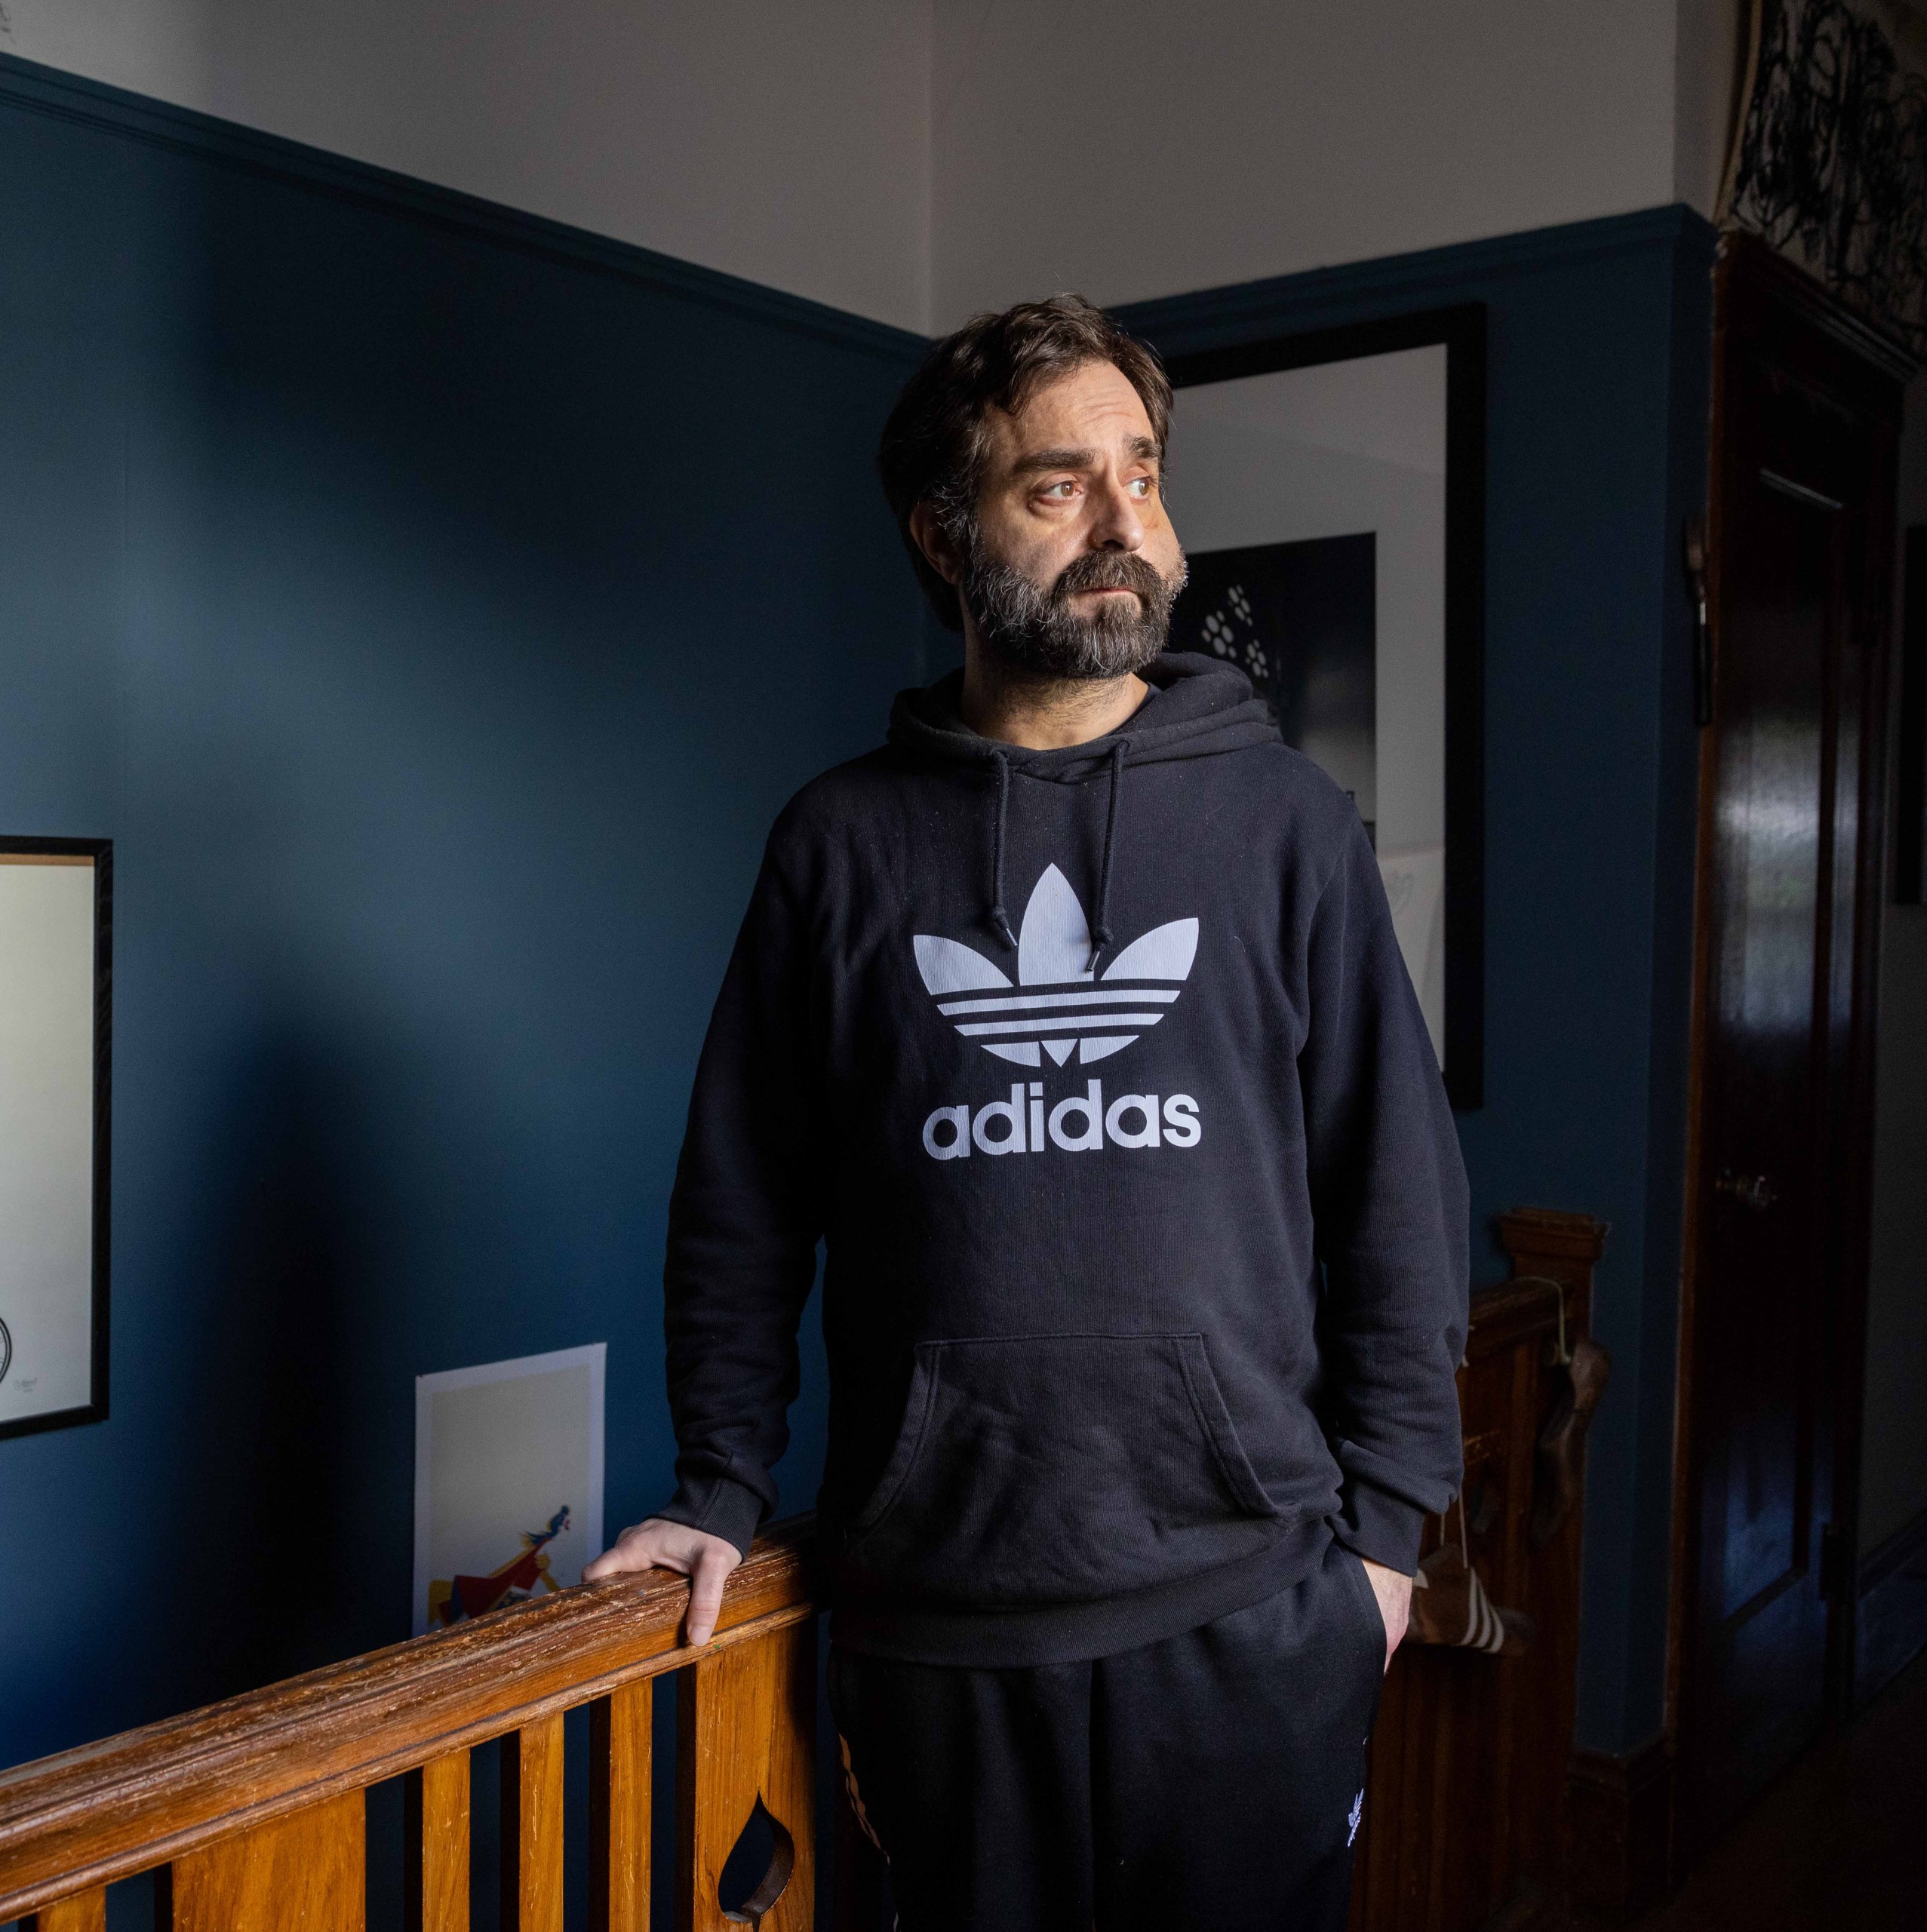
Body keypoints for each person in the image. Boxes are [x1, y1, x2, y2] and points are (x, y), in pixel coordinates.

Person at [585, 297, 1468, 1930]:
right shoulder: (838, 844)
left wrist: (1390, 1542)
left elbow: (1397, 1191)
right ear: (943, 534)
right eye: (1059, 487)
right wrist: (720, 1480)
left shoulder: (1286, 827)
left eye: (1142, 472)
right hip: (939, 1628)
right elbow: (742, 1199)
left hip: (1253, 1613)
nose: (1125, 521)